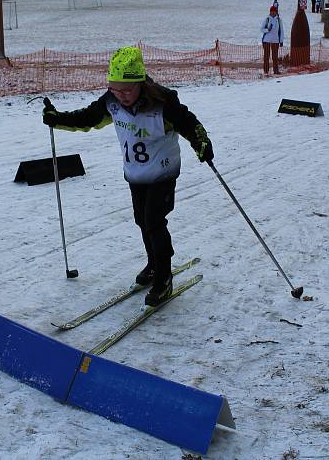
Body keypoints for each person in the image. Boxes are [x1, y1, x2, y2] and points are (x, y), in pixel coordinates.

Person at [41, 47, 214, 307]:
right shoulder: (111, 101)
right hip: (135, 174)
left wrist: (201, 142)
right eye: (114, 88)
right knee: (142, 221)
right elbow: (87, 118)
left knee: (154, 221)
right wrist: (58, 119)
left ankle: (163, 278)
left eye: (126, 90)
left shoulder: (163, 103)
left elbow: (189, 123)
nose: (120, 95)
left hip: (163, 172)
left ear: (141, 83)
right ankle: (154, 264)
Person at [261, 5, 283, 75]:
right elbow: (261, 29)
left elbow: (281, 31)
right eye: (272, 11)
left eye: (274, 11)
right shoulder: (267, 19)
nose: (273, 13)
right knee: (266, 56)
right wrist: (267, 30)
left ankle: (276, 70)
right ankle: (266, 71)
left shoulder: (279, 20)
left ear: (276, 12)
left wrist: (281, 40)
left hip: (276, 41)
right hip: (266, 40)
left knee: (275, 57)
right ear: (270, 12)